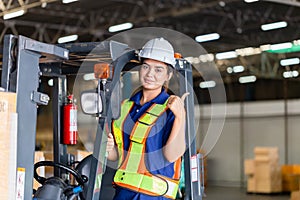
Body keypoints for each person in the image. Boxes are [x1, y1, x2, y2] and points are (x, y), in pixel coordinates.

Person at [106, 37, 187, 200]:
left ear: (168, 75)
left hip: (153, 196)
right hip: (123, 192)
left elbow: (172, 155)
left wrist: (180, 117)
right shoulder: (125, 107)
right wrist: (108, 149)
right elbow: (118, 156)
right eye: (146, 67)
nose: (150, 74)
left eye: (158, 69)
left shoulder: (170, 109)